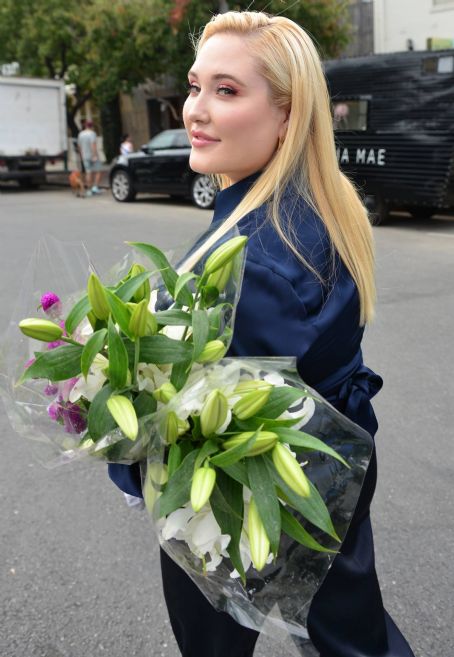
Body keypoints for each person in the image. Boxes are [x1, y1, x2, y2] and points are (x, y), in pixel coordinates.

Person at [108, 11, 415, 657]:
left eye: (227, 90)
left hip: (248, 493)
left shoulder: (260, 255)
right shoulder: (306, 202)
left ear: (287, 116)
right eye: (195, 86)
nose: (195, 109)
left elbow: (221, 420)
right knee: (351, 632)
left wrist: (119, 424)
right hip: (332, 463)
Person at [77, 120, 102, 196]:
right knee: (98, 171)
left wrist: (81, 156)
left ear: (85, 125)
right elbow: (93, 145)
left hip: (85, 156)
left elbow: (79, 146)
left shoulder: (81, 134)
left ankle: (89, 190)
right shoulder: (92, 134)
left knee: (88, 172)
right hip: (92, 155)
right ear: (92, 126)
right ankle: (95, 188)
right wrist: (95, 155)